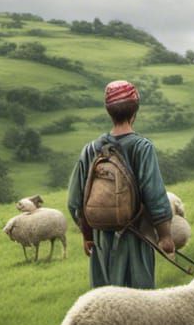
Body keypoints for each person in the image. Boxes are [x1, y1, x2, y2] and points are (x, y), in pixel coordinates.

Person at [67, 80, 175, 288]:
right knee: (138, 307)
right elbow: (155, 195)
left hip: (101, 243)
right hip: (136, 237)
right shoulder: (142, 148)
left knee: (105, 306)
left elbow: (75, 201)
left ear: (109, 112)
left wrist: (88, 235)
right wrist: (165, 236)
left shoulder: (90, 150)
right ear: (135, 111)